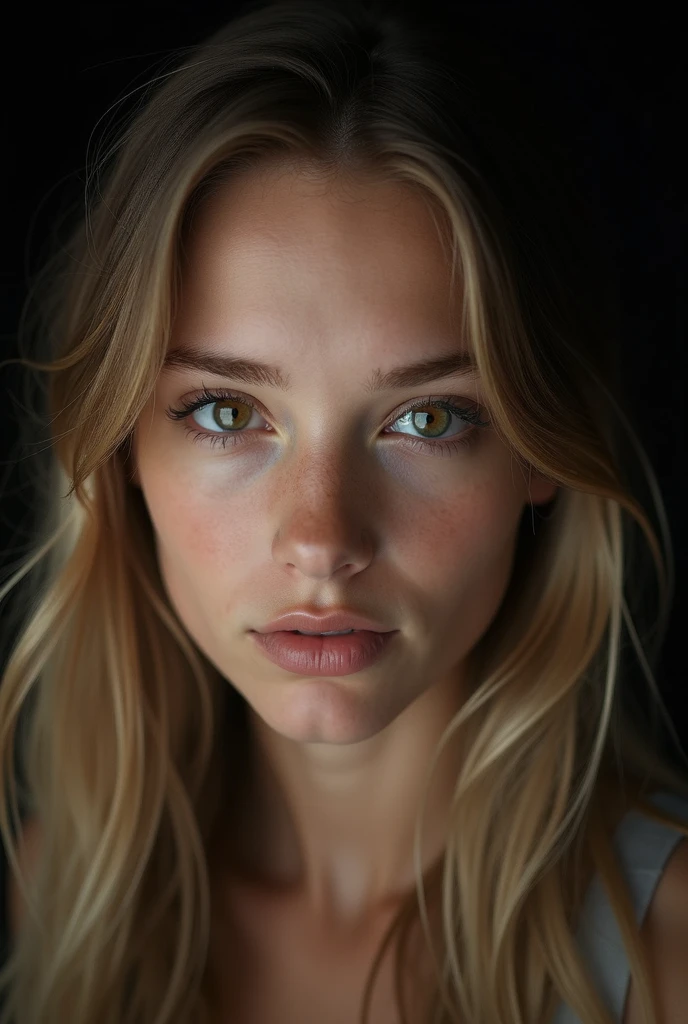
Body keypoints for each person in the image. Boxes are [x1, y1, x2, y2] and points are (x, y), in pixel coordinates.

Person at [0, 1, 686, 1021]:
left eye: (426, 418)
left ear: (539, 452)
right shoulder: (45, 912)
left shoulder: (666, 951)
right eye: (228, 411)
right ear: (120, 449)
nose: (322, 539)